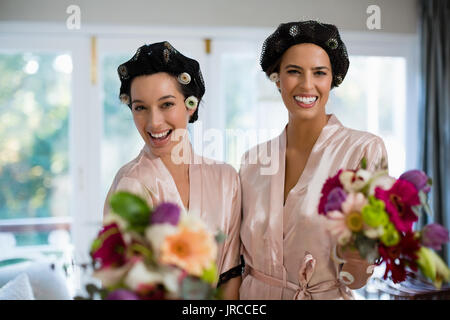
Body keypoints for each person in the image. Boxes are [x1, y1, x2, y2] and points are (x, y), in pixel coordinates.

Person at [239, 21, 388, 299]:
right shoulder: (252, 161)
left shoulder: (364, 150)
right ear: (277, 79)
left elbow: (357, 280)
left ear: (332, 79)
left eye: (319, 73)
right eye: (293, 72)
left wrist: (357, 255)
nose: (307, 85)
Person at [103, 42, 242, 299]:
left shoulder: (226, 179)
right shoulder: (130, 184)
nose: (154, 122)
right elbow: (122, 282)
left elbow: (230, 273)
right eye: (140, 107)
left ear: (191, 105)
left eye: (166, 104)